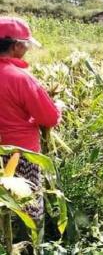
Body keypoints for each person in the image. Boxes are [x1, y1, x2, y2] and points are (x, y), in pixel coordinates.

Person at [0, 17, 61, 232]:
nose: (27, 48)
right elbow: (50, 117)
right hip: (21, 153)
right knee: (30, 206)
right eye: (26, 43)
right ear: (16, 45)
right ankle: (32, 243)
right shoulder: (20, 78)